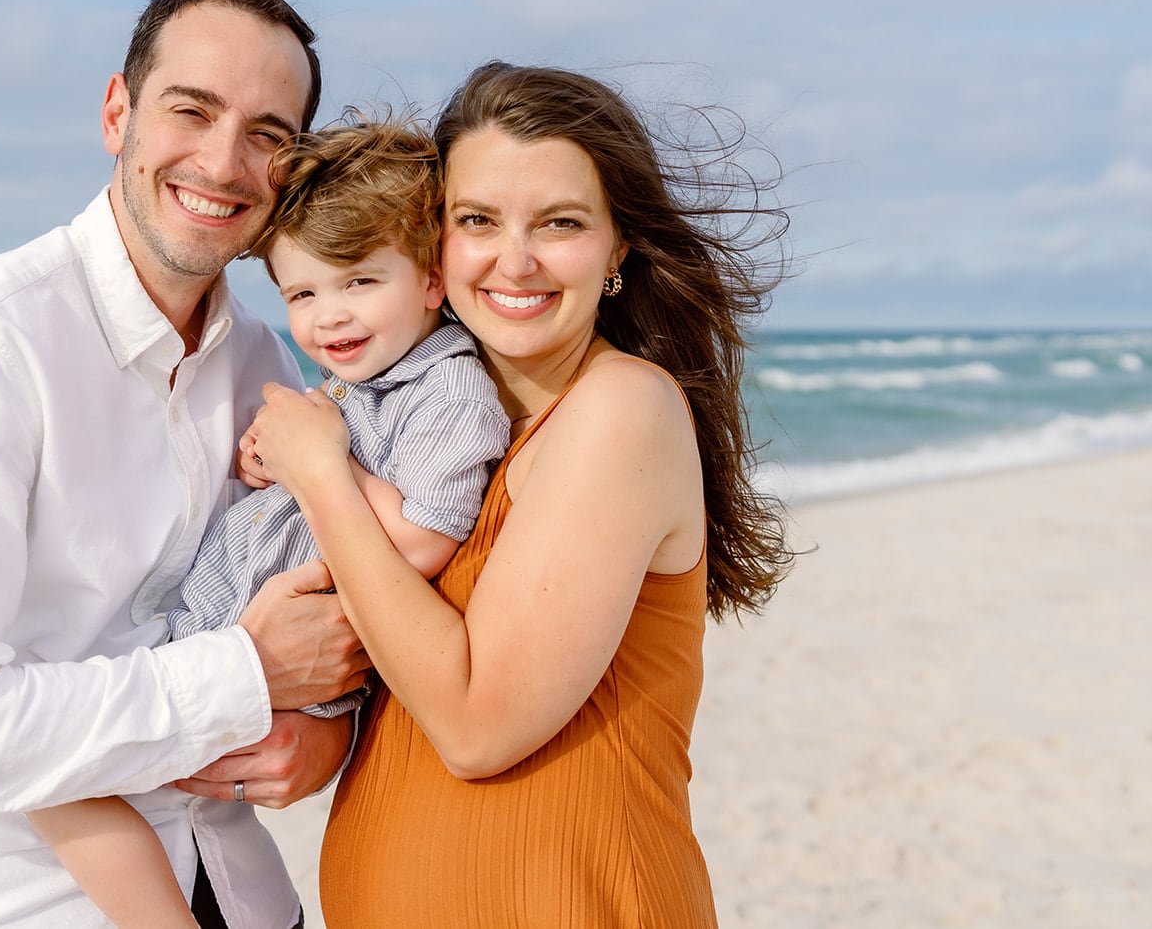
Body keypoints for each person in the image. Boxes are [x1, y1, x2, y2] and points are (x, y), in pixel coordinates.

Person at [0, 0, 369, 929]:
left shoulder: (264, 361)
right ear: (117, 113)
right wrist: (242, 676)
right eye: (191, 109)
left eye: (266, 133)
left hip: (238, 889)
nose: (222, 161)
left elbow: (312, 612)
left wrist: (322, 738)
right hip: (8, 907)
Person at [246, 61, 796, 927]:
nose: (516, 258)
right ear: (435, 242)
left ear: (617, 246)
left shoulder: (620, 410)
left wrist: (321, 476)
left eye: (561, 222)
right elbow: (398, 668)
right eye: (478, 220)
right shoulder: (434, 436)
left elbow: (474, 724)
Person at [27, 117, 511, 927]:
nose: (328, 317)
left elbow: (424, 535)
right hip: (224, 625)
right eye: (303, 293)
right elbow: (307, 465)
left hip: (284, 658)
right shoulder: (365, 378)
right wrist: (272, 459)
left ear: (432, 280)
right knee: (67, 771)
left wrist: (321, 463)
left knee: (64, 779)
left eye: (360, 281)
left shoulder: (450, 392)